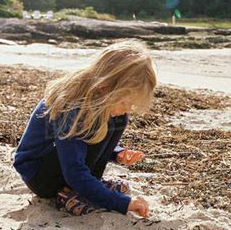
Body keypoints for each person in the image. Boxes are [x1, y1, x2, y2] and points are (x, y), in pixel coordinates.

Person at [13, 41, 156, 217]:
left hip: (66, 162)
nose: (127, 109)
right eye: (125, 102)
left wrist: (116, 153)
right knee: (100, 124)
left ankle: (90, 185)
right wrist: (122, 203)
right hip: (40, 174)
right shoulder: (71, 106)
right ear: (106, 87)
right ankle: (71, 191)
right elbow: (74, 169)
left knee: (117, 119)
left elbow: (81, 147)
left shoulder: (103, 104)